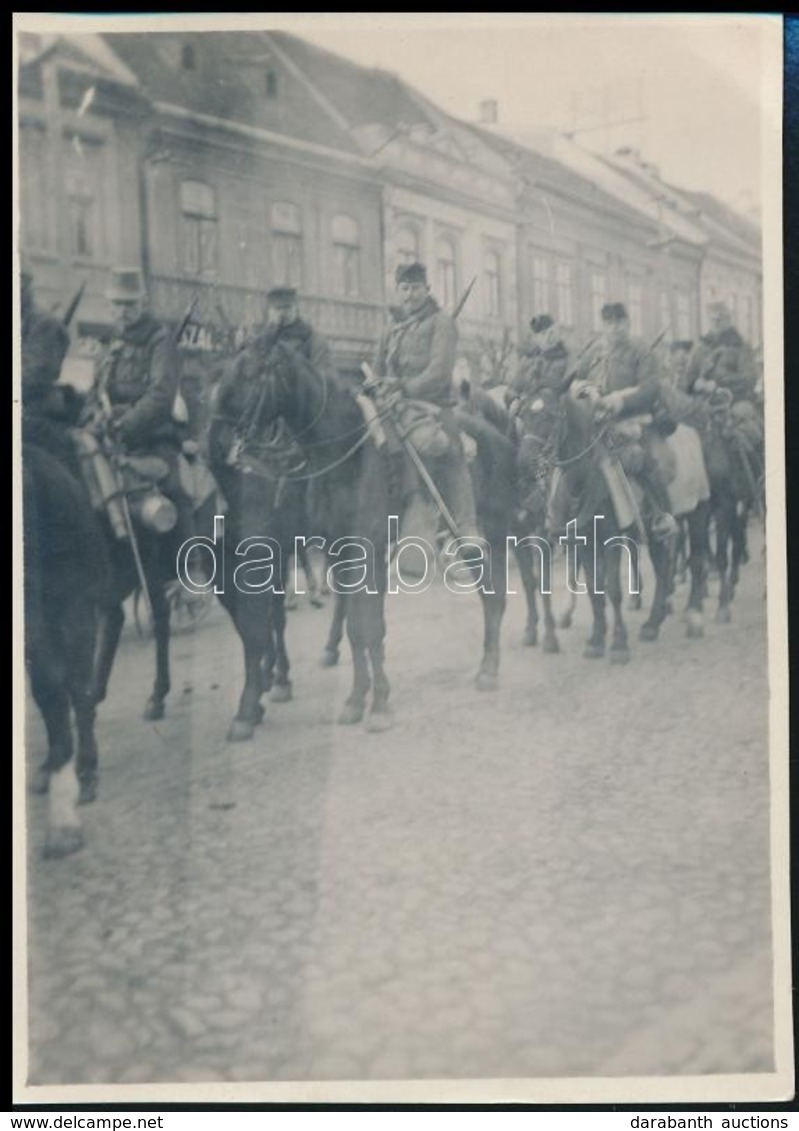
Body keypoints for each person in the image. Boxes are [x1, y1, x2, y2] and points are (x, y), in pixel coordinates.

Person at [88, 267, 196, 553]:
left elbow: (161, 396)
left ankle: (189, 574)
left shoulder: (161, 341)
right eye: (117, 304)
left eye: (130, 303)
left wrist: (126, 425)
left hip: (152, 440)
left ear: (143, 303)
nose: (123, 311)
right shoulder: (110, 344)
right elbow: (95, 391)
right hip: (111, 442)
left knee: (174, 491)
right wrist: (91, 423)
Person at [372, 261, 479, 541]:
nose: (409, 295)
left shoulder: (441, 322)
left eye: (415, 288)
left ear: (427, 289)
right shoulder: (390, 328)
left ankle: (466, 526)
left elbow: (439, 372)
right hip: (391, 406)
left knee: (445, 447)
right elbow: (378, 371)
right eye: (404, 289)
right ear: (397, 291)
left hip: (432, 405)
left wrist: (403, 387)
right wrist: (376, 387)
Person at [572, 302, 676, 537]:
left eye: (619, 323)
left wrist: (621, 402)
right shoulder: (594, 353)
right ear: (603, 326)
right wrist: (586, 390)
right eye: (609, 323)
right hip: (598, 425)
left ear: (628, 324)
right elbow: (576, 381)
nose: (614, 328)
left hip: (634, 421)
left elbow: (650, 388)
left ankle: (662, 515)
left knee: (642, 461)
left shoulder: (641, 351)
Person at [682, 301, 758, 404]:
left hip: (733, 400)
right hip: (702, 400)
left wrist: (718, 384)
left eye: (720, 319)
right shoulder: (700, 346)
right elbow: (688, 375)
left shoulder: (741, 346)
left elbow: (749, 377)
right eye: (712, 319)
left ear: (729, 320)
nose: (716, 322)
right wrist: (695, 383)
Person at [510, 313, 570, 399]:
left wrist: (527, 394)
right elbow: (515, 385)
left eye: (551, 332)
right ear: (536, 338)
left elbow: (555, 384)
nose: (548, 337)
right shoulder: (529, 359)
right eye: (543, 334)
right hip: (527, 406)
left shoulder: (564, 357)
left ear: (557, 333)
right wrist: (514, 398)